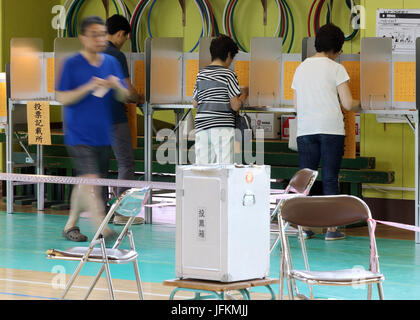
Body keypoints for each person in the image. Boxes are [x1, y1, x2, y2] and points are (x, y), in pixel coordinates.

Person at [56, 16, 129, 242]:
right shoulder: (72, 63)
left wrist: (116, 85)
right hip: (78, 133)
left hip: (102, 133)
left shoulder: (111, 62)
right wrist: (89, 86)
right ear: (83, 37)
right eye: (95, 34)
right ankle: (102, 227)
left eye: (102, 33)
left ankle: (70, 226)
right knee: (90, 178)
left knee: (86, 180)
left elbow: (125, 95)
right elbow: (62, 97)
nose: (100, 39)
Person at [291, 23, 361, 241]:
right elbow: (348, 104)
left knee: (307, 179)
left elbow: (295, 106)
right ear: (336, 49)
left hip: (306, 129)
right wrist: (365, 102)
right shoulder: (336, 68)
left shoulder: (301, 68)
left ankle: (305, 227)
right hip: (331, 129)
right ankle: (332, 229)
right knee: (330, 178)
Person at [104, 14, 145, 225]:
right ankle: (121, 213)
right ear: (120, 34)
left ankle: (102, 213)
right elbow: (128, 92)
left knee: (100, 166)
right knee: (125, 162)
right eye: (125, 38)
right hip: (113, 115)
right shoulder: (116, 55)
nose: (123, 42)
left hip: (91, 118)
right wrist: (138, 97)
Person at [192, 34, 248, 165]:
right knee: (225, 169)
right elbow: (235, 105)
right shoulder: (228, 74)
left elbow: (195, 103)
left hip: (202, 127)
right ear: (228, 54)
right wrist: (245, 94)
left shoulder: (201, 74)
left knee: (204, 169)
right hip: (222, 128)